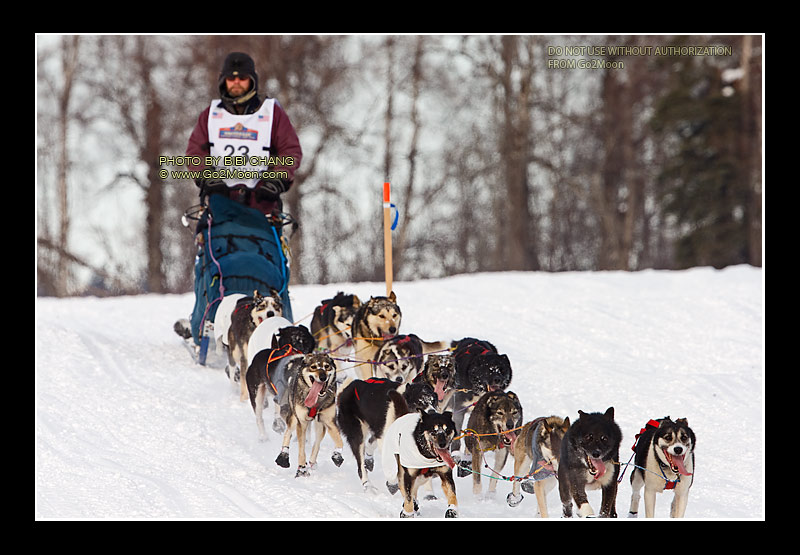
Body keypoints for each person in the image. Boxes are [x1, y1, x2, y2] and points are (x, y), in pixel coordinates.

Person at [186, 51, 302, 214]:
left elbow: (290, 151)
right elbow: (195, 153)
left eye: (242, 78)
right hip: (220, 205)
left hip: (263, 205)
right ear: (223, 81)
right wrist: (207, 177)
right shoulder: (210, 115)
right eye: (231, 79)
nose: (236, 83)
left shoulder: (271, 113)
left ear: (252, 80)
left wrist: (276, 180)